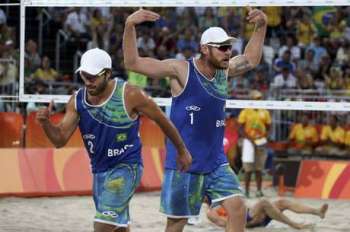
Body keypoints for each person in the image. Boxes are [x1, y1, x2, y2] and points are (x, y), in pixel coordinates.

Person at [123, 7, 267, 232]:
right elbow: (133, 63)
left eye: (229, 47)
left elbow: (250, 59)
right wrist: (129, 26)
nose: (228, 52)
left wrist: (261, 26)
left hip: (215, 161)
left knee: (238, 208)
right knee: (177, 223)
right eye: (222, 48)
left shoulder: (224, 71)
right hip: (185, 163)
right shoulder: (181, 70)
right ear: (204, 49)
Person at [36, 48, 192, 232]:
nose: (88, 81)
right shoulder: (77, 100)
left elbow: (162, 120)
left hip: (127, 167)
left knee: (102, 225)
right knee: (117, 228)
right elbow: (59, 140)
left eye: (93, 76)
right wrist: (45, 123)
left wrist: (182, 150)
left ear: (108, 74)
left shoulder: (130, 95)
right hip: (100, 171)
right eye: (84, 76)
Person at [207, 198, 328, 230]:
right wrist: (249, 223)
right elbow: (228, 225)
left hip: (253, 215)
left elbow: (245, 205)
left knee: (282, 202)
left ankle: (317, 212)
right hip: (249, 221)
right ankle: (295, 225)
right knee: (264, 202)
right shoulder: (212, 212)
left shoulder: (226, 198)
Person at [238, 90, 271, 198]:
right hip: (248, 142)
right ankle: (246, 191)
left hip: (260, 142)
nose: (258, 100)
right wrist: (250, 139)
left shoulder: (265, 112)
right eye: (256, 98)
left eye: (259, 98)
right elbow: (240, 128)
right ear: (251, 99)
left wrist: (264, 138)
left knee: (259, 168)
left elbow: (269, 127)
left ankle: (259, 191)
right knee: (248, 169)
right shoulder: (246, 111)